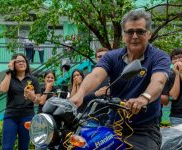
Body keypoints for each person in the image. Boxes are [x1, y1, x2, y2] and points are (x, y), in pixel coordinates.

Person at [70, 9, 170, 149]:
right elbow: (96, 75)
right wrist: (80, 94)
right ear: (123, 35)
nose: (134, 36)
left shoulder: (159, 57)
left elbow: (158, 81)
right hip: (113, 125)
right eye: (129, 32)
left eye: (140, 31)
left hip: (143, 131)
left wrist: (143, 99)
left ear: (149, 34)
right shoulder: (112, 57)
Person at [0, 53, 41, 150]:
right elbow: (2, 90)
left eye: (23, 61)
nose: (21, 63)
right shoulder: (9, 77)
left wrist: (32, 97)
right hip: (11, 116)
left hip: (27, 116)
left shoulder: (33, 79)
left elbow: (39, 100)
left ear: (26, 63)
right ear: (13, 64)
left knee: (23, 147)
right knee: (7, 147)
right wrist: (9, 71)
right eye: (18, 61)